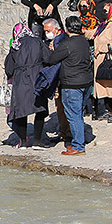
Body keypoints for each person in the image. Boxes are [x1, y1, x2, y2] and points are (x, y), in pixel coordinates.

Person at [43, 15, 92, 156]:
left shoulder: (66, 44)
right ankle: (78, 141)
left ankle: (78, 145)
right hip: (86, 82)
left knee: (73, 115)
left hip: (72, 84)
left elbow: (52, 60)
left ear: (67, 28)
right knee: (79, 113)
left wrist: (52, 50)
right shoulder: (84, 41)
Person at [4, 23, 48, 149]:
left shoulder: (15, 45)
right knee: (39, 109)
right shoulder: (37, 41)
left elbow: (9, 70)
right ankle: (37, 141)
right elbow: (48, 58)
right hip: (37, 77)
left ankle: (23, 142)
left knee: (21, 111)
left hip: (21, 80)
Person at [38, 18, 72, 148]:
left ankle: (67, 133)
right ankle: (63, 133)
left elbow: (55, 59)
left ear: (56, 29)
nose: (46, 33)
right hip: (58, 80)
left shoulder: (62, 40)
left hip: (62, 79)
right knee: (59, 108)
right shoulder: (52, 41)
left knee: (65, 107)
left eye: (48, 30)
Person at [90, 3, 112, 122]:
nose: (103, 13)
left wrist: (101, 48)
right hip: (102, 60)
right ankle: (108, 111)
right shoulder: (103, 26)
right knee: (105, 86)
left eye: (106, 11)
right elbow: (92, 34)